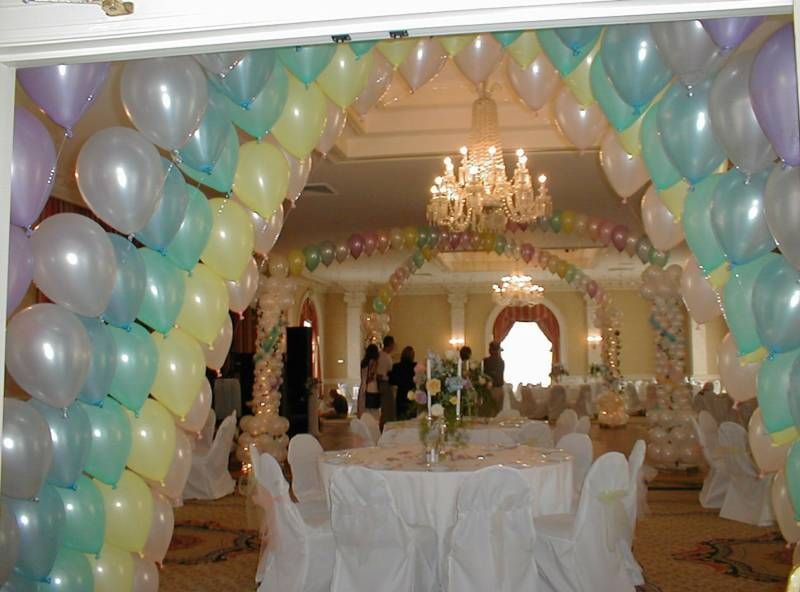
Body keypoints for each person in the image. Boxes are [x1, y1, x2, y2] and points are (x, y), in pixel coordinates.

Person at [390, 346, 416, 420]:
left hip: (401, 394)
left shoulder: (396, 366)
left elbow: (392, 381)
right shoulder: (415, 366)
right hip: (412, 394)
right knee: (412, 418)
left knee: (400, 418)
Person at [377, 335, 396, 428]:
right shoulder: (384, 357)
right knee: (388, 409)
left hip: (382, 384)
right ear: (390, 344)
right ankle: (386, 429)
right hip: (385, 384)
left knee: (385, 410)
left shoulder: (380, 355)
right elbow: (382, 374)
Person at [357, 344, 381, 419]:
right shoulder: (374, 362)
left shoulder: (363, 362)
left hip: (363, 386)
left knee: (364, 409)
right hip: (372, 387)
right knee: (373, 411)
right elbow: (371, 376)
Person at [483, 341, 505, 408]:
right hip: (497, 389)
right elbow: (498, 377)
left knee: (489, 409)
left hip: (489, 388)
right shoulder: (501, 362)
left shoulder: (485, 361)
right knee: (497, 410)